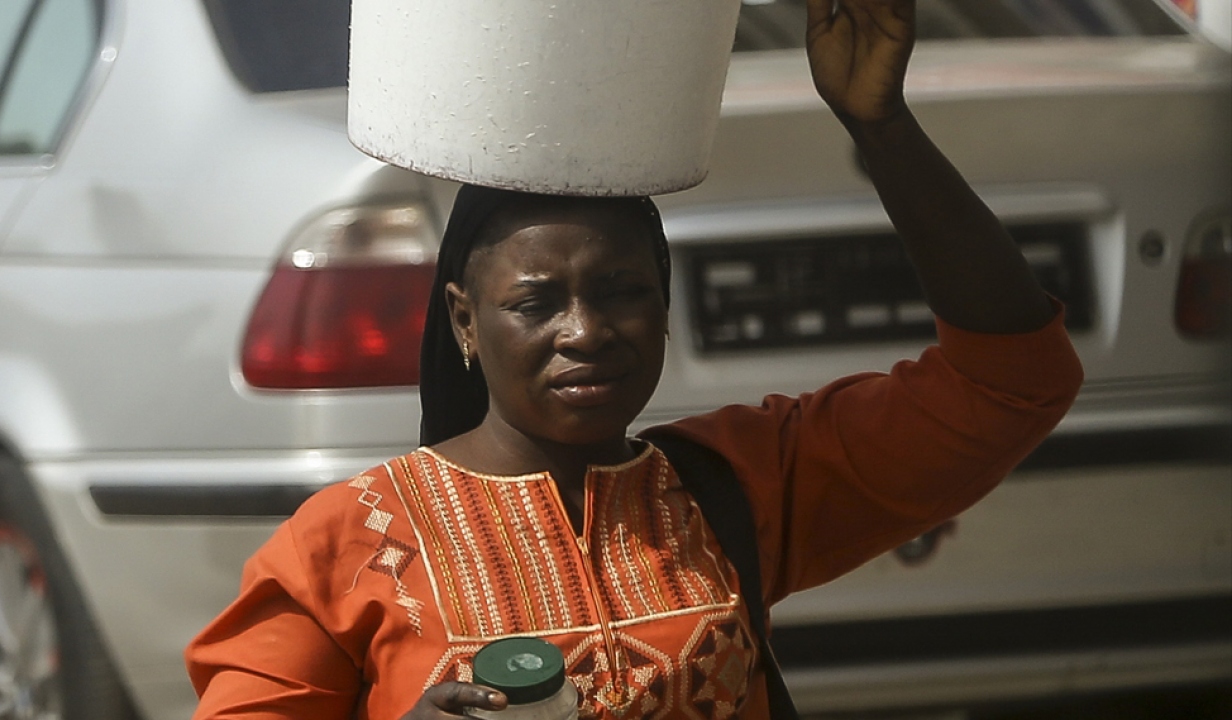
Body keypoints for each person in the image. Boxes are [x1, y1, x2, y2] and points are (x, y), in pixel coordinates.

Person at [185, 1, 1084, 717]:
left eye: (620, 291)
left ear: (663, 303)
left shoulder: (742, 485)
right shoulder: (345, 543)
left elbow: (1010, 380)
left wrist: (881, 126)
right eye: (535, 302)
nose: (586, 330)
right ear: (465, 320)